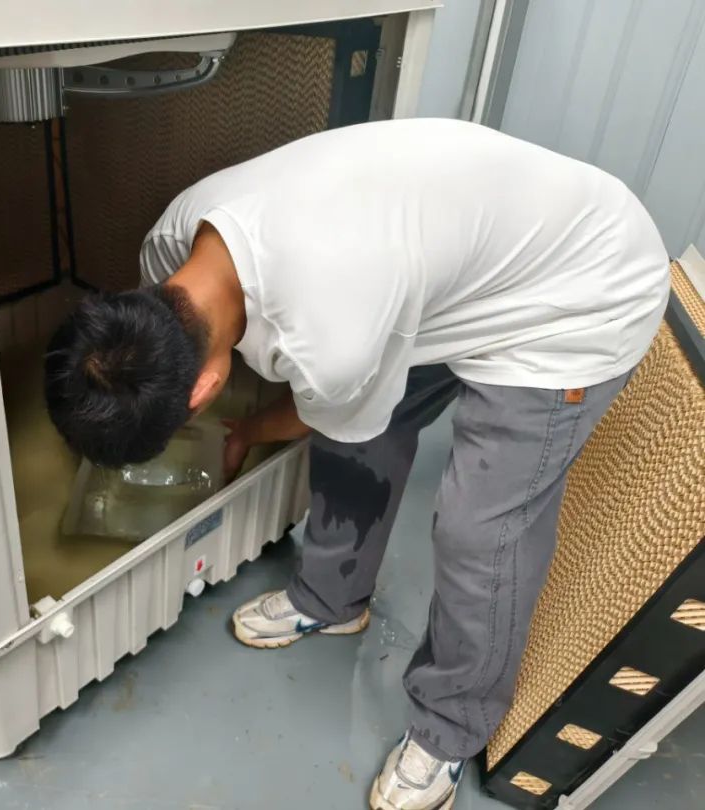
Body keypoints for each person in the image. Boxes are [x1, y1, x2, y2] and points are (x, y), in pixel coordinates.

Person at [43, 118, 670, 810]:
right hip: (457, 256)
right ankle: (332, 598)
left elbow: (322, 403)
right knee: (363, 421)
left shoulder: (329, 338)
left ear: (201, 392)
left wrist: (249, 429)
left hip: (579, 294)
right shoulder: (174, 236)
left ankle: (450, 729)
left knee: (479, 531)